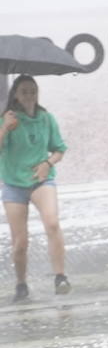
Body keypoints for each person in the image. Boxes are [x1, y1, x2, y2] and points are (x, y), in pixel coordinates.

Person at [1, 75, 70, 302]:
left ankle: (60, 277)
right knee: (20, 242)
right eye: (24, 92)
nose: (29, 96)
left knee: (52, 222)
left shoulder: (46, 118)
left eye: (32, 91)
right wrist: (5, 129)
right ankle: (21, 284)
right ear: (16, 95)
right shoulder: (7, 119)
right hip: (14, 184)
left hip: (41, 180)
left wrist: (47, 163)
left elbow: (59, 149)